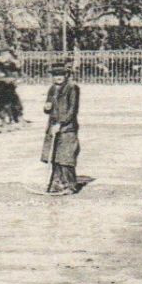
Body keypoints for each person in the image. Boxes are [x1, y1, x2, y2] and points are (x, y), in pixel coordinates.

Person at [41, 63, 82, 195]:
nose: (58, 77)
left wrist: (62, 123)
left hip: (67, 128)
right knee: (53, 156)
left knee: (66, 157)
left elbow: (72, 110)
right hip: (53, 127)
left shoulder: (72, 88)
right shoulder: (52, 89)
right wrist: (46, 108)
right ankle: (56, 184)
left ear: (66, 75)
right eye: (55, 75)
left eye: (61, 74)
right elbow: (48, 108)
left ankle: (70, 185)